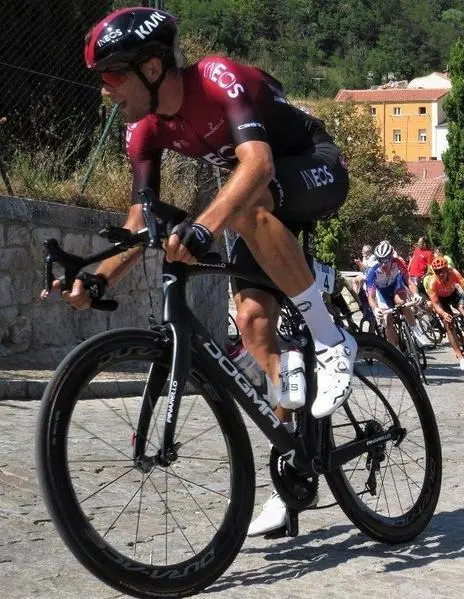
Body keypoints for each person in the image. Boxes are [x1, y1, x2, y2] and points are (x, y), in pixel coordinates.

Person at [56, 7, 358, 538]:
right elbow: (140, 219)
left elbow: (258, 165)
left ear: (151, 68)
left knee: (243, 202)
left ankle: (333, 340)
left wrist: (203, 230)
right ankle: (295, 470)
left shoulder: (217, 79)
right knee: (254, 324)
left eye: (112, 76)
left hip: (313, 165)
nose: (105, 91)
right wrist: (98, 276)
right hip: (258, 204)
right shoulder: (144, 130)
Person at [365, 241, 427, 348]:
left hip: (395, 286)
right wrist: (375, 309)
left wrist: (415, 294)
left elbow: (409, 281)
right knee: (387, 319)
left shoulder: (398, 262)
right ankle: (396, 349)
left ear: (391, 258)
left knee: (402, 303)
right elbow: (371, 296)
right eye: (380, 260)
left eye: (385, 260)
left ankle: (416, 331)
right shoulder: (372, 271)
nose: (383, 264)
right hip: (381, 293)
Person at [428, 257, 464, 371]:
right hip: (442, 301)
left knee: (463, 307)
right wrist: (443, 314)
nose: (440, 274)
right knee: (448, 324)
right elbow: (436, 304)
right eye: (437, 272)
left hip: (454, 295)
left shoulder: (453, 273)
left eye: (442, 271)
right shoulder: (432, 283)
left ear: (447, 270)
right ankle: (460, 357)